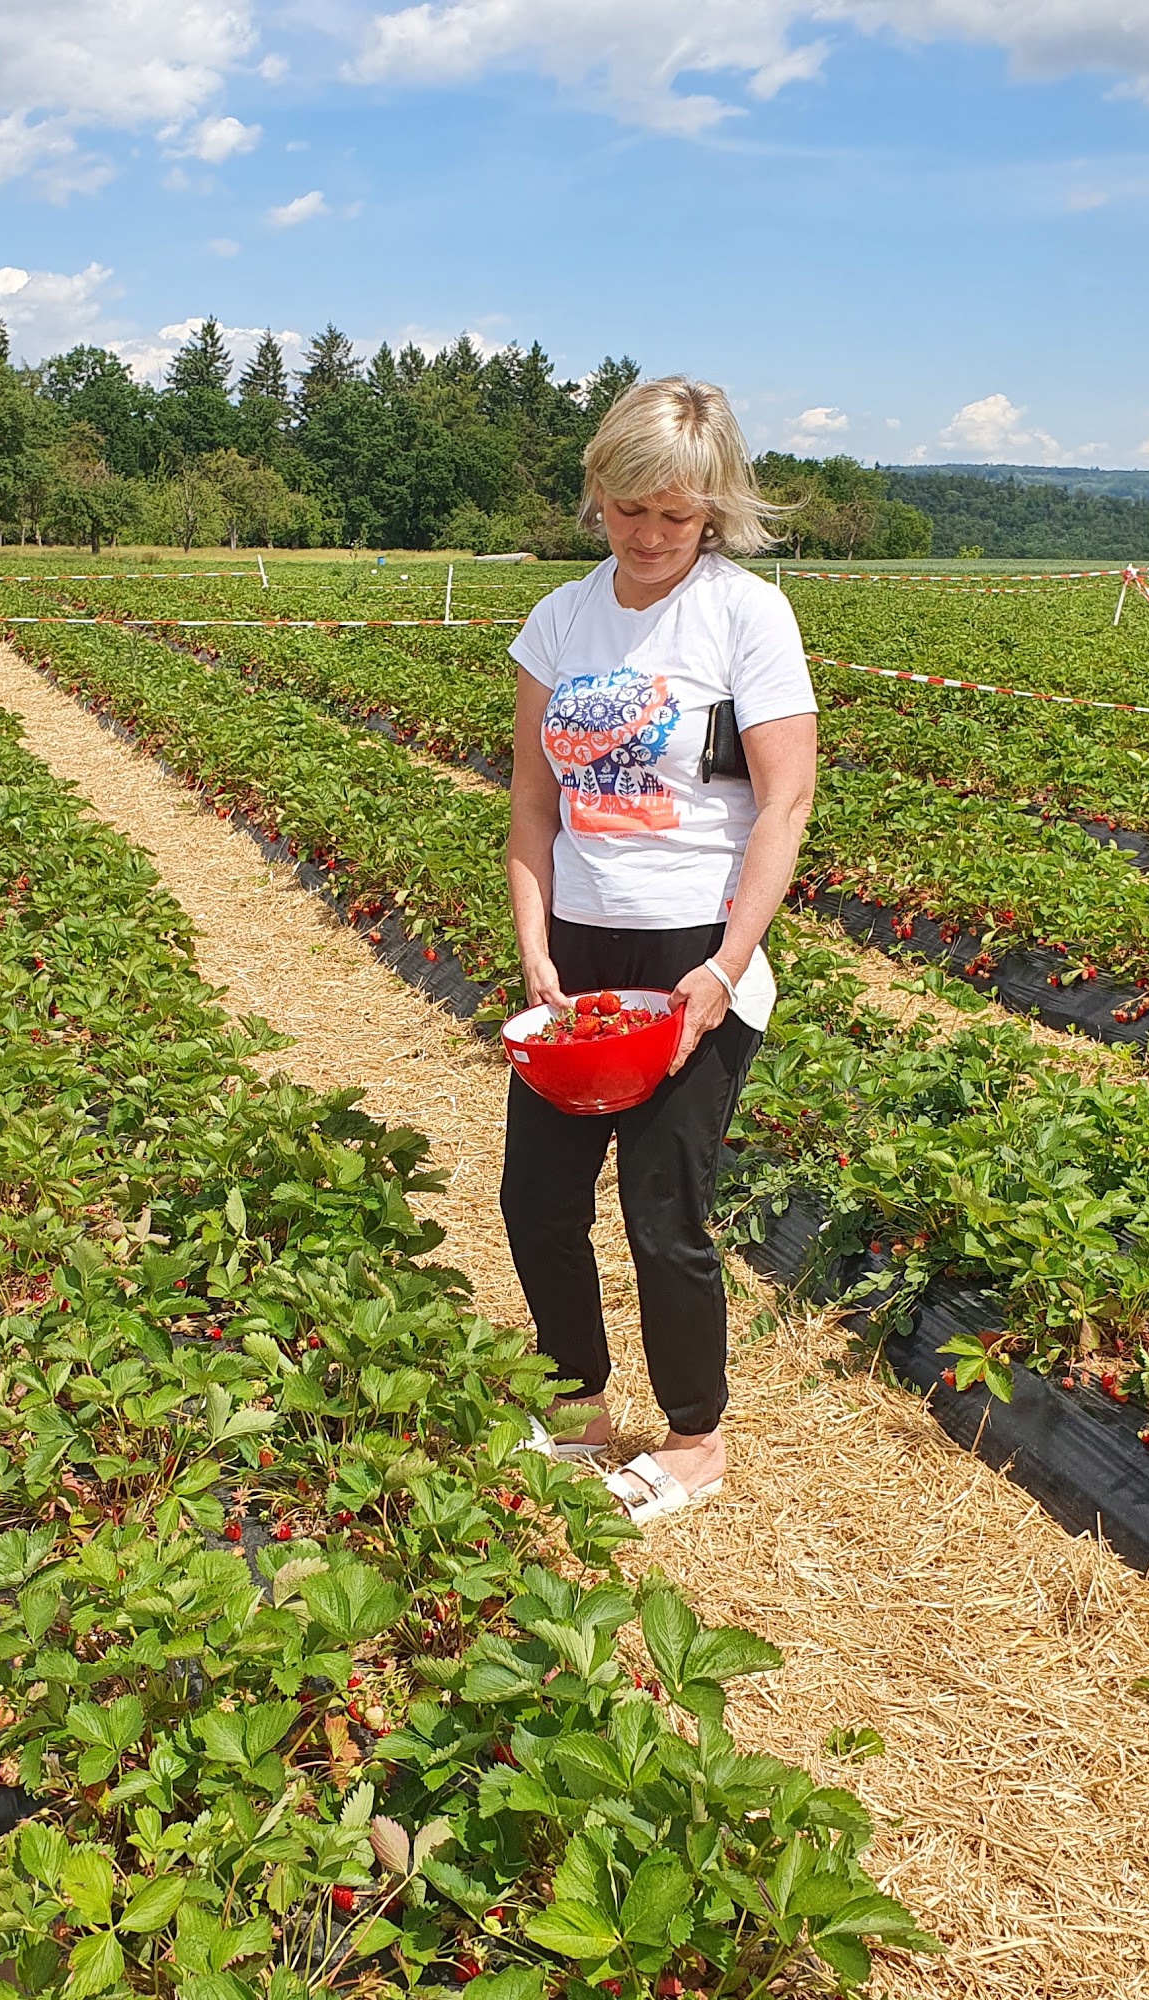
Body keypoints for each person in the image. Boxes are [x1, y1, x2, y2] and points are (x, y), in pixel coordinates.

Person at [501, 376, 819, 1524]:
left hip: (694, 951)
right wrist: (536, 949)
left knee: (658, 1209)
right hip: (579, 948)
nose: (647, 535)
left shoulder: (747, 616)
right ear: (598, 495)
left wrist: (727, 963)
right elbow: (532, 806)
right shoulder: (560, 619)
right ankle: (577, 1405)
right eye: (627, 507)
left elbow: (783, 805)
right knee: (535, 1197)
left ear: (713, 511)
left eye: (675, 516)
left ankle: (693, 1438)